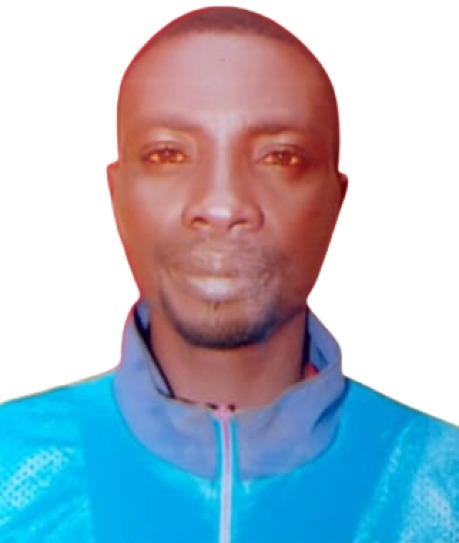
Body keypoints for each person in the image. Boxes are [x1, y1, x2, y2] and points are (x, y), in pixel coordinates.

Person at [1, 6, 457, 542]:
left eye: (280, 157)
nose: (221, 204)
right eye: (168, 154)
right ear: (117, 195)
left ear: (334, 202)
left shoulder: (442, 490)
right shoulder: (12, 473)